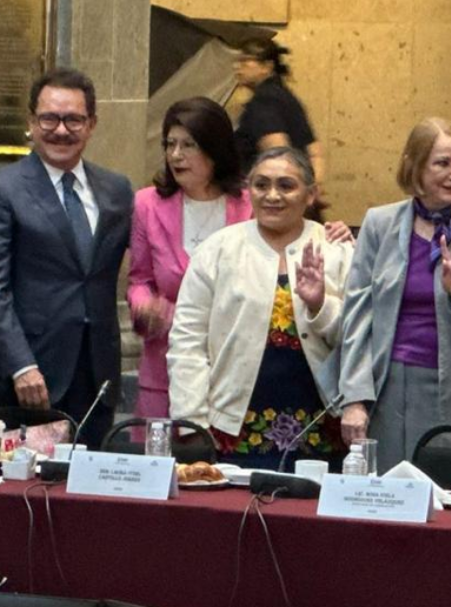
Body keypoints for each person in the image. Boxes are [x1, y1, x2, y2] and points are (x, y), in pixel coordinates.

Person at [329, 118, 451, 473]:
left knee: (447, 493)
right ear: (415, 165)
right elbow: (357, 318)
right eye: (442, 163)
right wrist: (354, 399)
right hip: (385, 389)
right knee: (385, 494)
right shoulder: (379, 224)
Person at [0, 68, 133, 448]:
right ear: (32, 122)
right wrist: (21, 365)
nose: (61, 130)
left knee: (91, 483)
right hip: (29, 378)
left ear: (91, 124)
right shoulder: (2, 190)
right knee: (23, 482)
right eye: (49, 118)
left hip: (96, 376)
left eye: (73, 119)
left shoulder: (116, 190)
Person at [168, 148, 354, 470]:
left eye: (286, 185)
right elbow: (187, 341)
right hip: (232, 427)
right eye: (261, 185)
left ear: (310, 195)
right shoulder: (218, 249)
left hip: (322, 429)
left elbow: (358, 340)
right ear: (248, 190)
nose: (272, 195)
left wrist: (320, 305)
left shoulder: (337, 250)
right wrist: (192, 423)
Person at [127, 97, 252, 420]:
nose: (175, 155)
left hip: (233, 373)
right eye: (170, 144)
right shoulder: (147, 204)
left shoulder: (250, 207)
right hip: (164, 370)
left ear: (215, 149)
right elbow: (140, 280)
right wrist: (144, 306)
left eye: (188, 145)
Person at [233, 39, 326, 187]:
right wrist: (312, 189)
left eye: (245, 61)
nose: (237, 67)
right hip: (297, 190)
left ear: (267, 67)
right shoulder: (286, 97)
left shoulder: (263, 101)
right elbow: (315, 153)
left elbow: (277, 155)